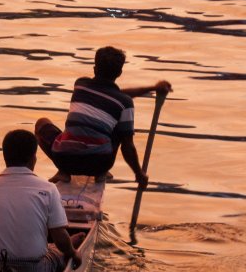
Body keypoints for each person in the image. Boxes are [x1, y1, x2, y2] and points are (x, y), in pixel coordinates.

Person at [0, 129, 84, 272]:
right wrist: (72, 253)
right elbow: (59, 236)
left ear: (5, 157)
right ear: (33, 158)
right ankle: (68, 246)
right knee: (56, 254)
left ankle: (57, 247)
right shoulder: (48, 189)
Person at [35, 46, 172, 186]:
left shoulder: (80, 85)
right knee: (121, 127)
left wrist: (152, 88)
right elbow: (127, 146)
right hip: (99, 163)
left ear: (94, 69)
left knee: (42, 123)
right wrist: (139, 173)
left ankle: (63, 171)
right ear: (119, 72)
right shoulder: (124, 102)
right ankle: (100, 174)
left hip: (63, 159)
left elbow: (110, 96)